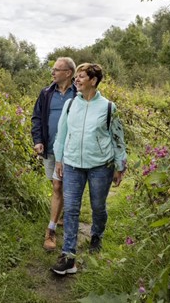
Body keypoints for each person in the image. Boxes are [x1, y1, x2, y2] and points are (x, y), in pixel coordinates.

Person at [50, 63, 127, 275]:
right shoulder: (70, 105)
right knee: (72, 209)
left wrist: (119, 166)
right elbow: (62, 134)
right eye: (76, 77)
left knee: (98, 206)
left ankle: (96, 235)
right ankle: (68, 256)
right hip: (73, 164)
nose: (77, 80)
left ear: (93, 81)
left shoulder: (109, 107)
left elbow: (118, 138)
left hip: (100, 166)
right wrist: (59, 159)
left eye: (81, 76)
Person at [31, 57, 77, 251]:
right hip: (49, 148)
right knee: (56, 184)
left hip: (71, 150)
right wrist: (38, 140)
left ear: (68, 73)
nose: (53, 73)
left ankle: (50, 230)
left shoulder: (79, 94)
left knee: (58, 186)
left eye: (56, 69)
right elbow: (37, 117)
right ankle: (59, 215)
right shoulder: (46, 93)